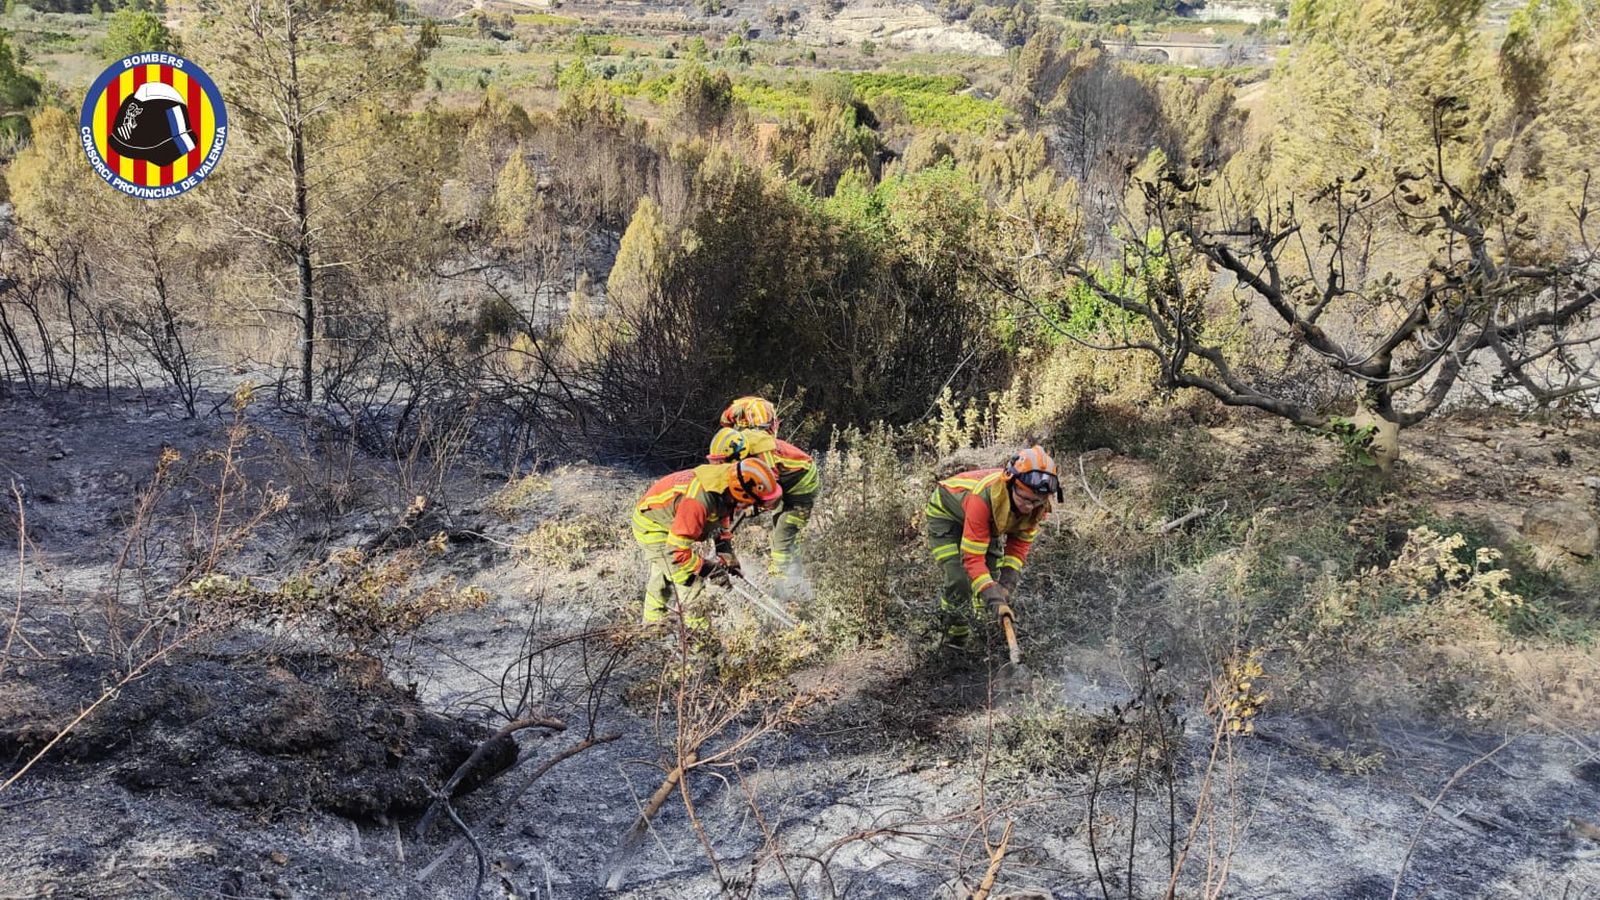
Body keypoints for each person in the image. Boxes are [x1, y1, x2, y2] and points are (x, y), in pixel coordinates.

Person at [924, 445, 1062, 647]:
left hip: (988, 523)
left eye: (1036, 501)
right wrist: (996, 602)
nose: (1028, 507)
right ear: (1010, 484)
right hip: (947, 516)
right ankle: (955, 640)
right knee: (960, 579)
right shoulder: (983, 498)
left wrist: (1006, 585)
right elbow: (972, 560)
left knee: (991, 579)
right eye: (1024, 499)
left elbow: (1019, 545)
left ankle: (984, 636)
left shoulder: (1037, 507)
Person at [631, 456, 783, 626]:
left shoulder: (727, 483)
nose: (755, 509)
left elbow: (723, 513)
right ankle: (698, 641)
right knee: (691, 583)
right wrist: (709, 570)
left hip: (669, 519)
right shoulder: (697, 501)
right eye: (754, 503)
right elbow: (677, 552)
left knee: (662, 575)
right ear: (742, 493)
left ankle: (650, 627)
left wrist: (725, 549)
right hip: (653, 526)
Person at [706, 422, 819, 582]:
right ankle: (795, 569)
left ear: (737, 455)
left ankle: (783, 584)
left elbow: (770, 491)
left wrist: (755, 507)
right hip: (786, 481)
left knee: (783, 531)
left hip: (802, 486)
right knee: (781, 526)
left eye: (724, 462)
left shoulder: (762, 454)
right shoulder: (744, 447)